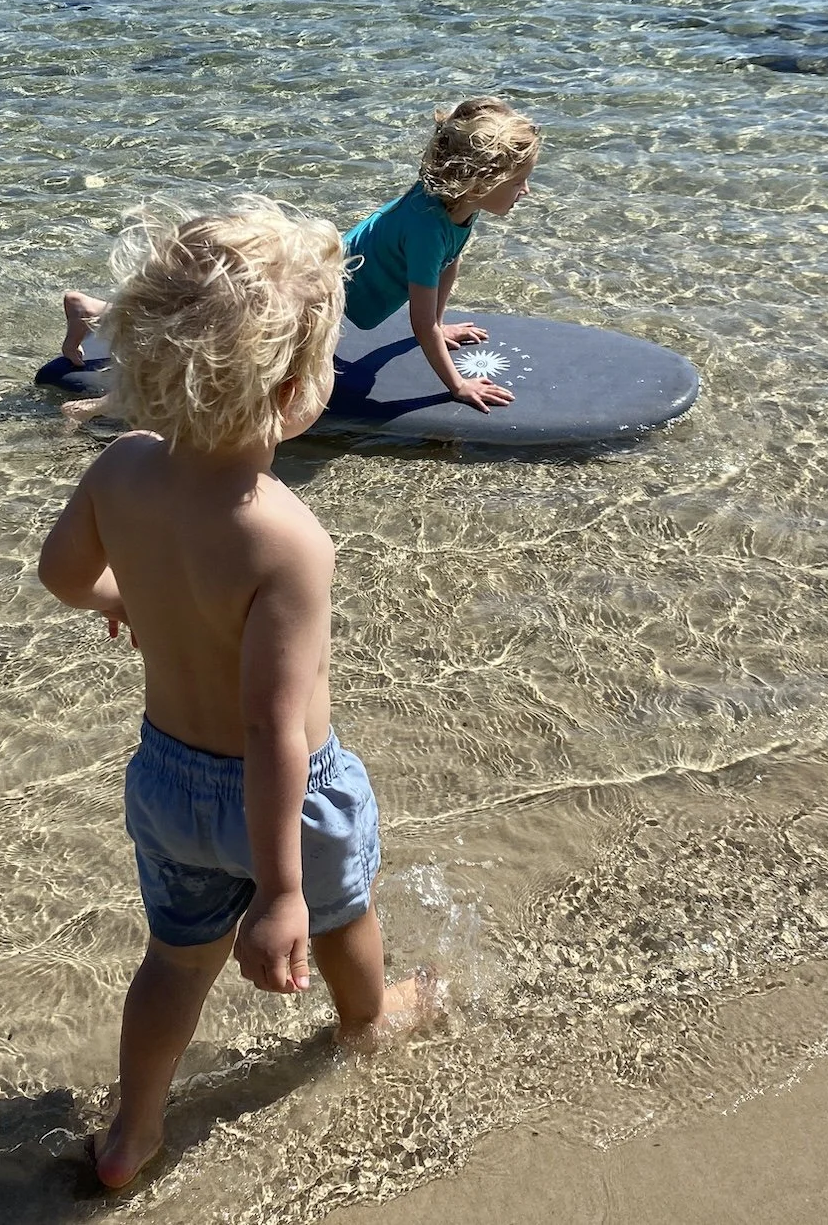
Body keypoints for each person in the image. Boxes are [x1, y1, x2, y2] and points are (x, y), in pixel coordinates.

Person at [38, 200, 435, 1191]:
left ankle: (132, 1133)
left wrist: (120, 596)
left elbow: (58, 574)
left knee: (173, 964)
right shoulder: (287, 538)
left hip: (165, 784)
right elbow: (270, 729)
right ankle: (368, 1020)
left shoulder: (122, 467)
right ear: (298, 388)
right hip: (284, 805)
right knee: (344, 924)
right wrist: (282, 890)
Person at [59, 97, 541, 414]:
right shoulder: (429, 227)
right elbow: (420, 319)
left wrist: (441, 322)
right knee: (213, 337)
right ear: (480, 183)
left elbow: (448, 266)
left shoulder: (457, 207)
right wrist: (456, 385)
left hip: (320, 280)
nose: (526, 191)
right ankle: (105, 399)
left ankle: (92, 311)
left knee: (207, 320)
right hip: (310, 287)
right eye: (519, 181)